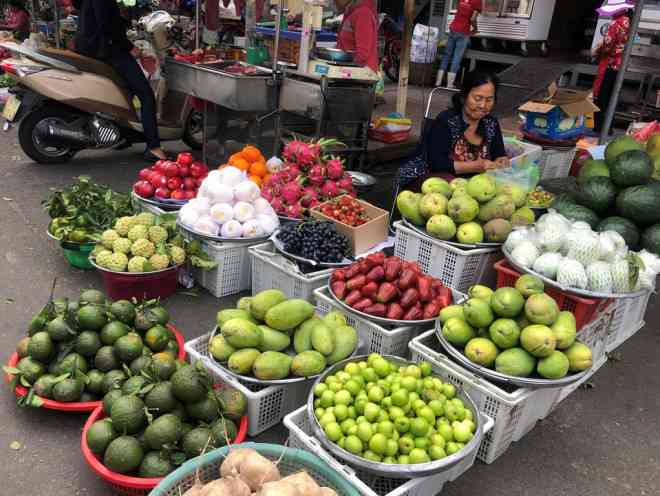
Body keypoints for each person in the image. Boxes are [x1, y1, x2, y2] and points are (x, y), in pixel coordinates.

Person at [72, 0, 167, 161]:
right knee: (146, 95)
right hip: (108, 49)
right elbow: (107, 25)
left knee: (125, 89)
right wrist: (130, 47)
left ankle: (126, 135)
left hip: (90, 47)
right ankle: (154, 147)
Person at [426, 71, 508, 176]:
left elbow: (499, 154)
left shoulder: (491, 123)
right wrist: (475, 166)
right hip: (443, 183)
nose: (483, 105)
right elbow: (436, 164)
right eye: (478, 98)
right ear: (463, 97)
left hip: (481, 186)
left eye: (489, 100)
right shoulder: (446, 121)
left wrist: (502, 161)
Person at [592, 1, 634, 134]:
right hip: (621, 65)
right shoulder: (630, 22)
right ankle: (608, 128)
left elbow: (607, 46)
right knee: (611, 97)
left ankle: (600, 128)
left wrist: (598, 49)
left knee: (601, 97)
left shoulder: (615, 23)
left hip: (609, 64)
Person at [436, 0, 481, 88]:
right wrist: (475, 29)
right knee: (457, 57)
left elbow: (459, 11)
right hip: (463, 31)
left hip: (453, 28)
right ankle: (449, 84)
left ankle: (438, 82)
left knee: (447, 55)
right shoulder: (477, 1)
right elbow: (472, 19)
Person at [335, 0, 379, 74]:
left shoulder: (363, 13)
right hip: (349, 71)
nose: (334, 2)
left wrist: (343, 66)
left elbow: (362, 53)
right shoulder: (350, 12)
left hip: (361, 75)